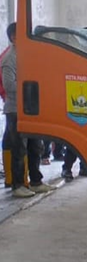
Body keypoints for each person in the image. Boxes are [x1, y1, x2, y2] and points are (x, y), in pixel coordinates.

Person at [1, 22, 56, 197]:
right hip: (15, 110)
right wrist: (31, 87)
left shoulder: (27, 56)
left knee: (36, 147)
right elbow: (9, 86)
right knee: (19, 149)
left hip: (31, 109)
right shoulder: (9, 59)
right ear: (14, 37)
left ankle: (36, 181)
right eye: (23, 34)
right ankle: (18, 185)